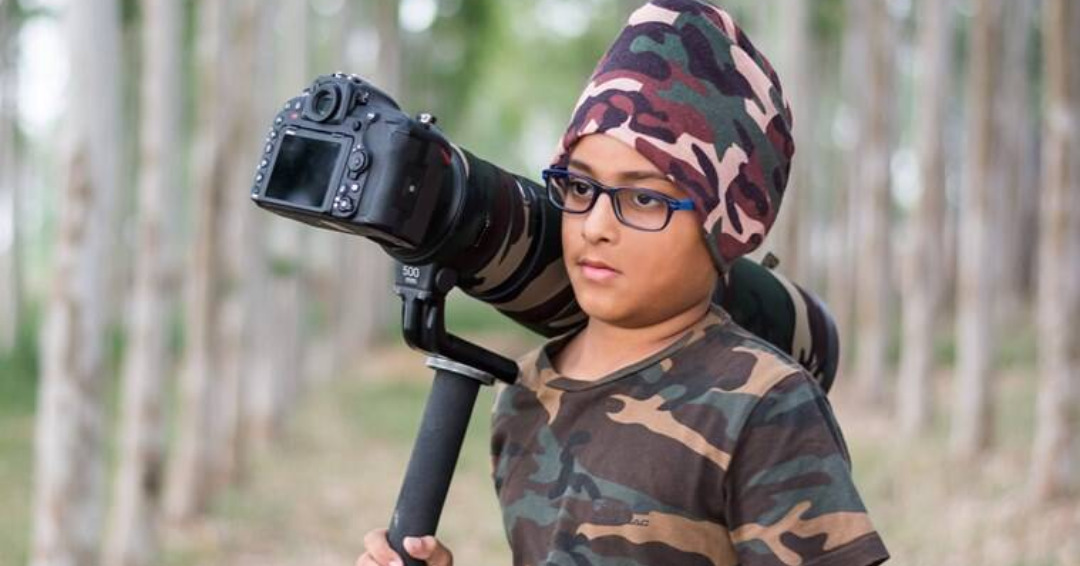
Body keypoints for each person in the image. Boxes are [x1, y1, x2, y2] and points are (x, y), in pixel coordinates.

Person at [357, 1, 890, 564]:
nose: (595, 226)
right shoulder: (526, 393)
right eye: (580, 188)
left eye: (643, 199)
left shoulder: (763, 405)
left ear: (726, 225)